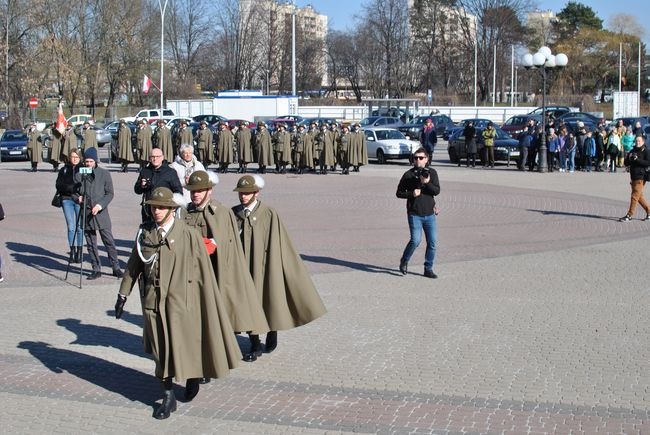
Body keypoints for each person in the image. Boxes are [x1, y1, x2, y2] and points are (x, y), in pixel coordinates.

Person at [114, 187, 241, 420]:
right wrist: (123, 295)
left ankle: (193, 376)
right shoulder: (145, 233)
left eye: (162, 207)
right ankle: (168, 395)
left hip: (182, 303)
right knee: (160, 352)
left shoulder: (188, 234)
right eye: (153, 206)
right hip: (154, 303)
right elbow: (134, 266)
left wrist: (203, 300)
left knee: (187, 346)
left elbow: (202, 270)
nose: (157, 211)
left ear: (172, 209)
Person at [232, 174, 327, 357]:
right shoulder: (234, 213)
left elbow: (278, 242)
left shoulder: (268, 213)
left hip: (263, 267)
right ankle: (254, 345)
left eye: (247, 193)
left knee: (266, 301)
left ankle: (271, 331)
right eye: (241, 193)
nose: (243, 196)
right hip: (242, 268)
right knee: (247, 305)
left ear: (256, 193)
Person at [183, 171, 269, 361]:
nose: (195, 194)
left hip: (222, 270)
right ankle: (206, 360)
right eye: (192, 191)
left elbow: (228, 241)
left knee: (238, 307)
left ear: (209, 191)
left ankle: (255, 344)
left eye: (199, 191)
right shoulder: (186, 212)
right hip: (197, 274)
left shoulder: (221, 212)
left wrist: (213, 244)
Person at [73, 147, 122, 280]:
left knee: (109, 241)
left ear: (95, 161)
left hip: (101, 213)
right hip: (86, 213)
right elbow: (74, 192)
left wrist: (100, 205)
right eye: (86, 161)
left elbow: (109, 193)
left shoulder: (104, 174)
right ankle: (96, 268)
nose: (88, 164)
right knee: (90, 243)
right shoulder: (80, 174)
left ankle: (115, 267)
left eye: (91, 161)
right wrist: (78, 198)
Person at [396, 147, 441, 279]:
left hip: (430, 214)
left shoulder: (432, 173)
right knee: (415, 240)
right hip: (414, 214)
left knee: (432, 242)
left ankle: (428, 268)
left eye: (421, 158)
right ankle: (404, 260)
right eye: (415, 158)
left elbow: (436, 191)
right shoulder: (408, 175)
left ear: (426, 159)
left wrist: (426, 183)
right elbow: (398, 193)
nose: (418, 160)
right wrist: (411, 193)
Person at [134, 148, 183, 223]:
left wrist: (172, 207)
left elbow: (178, 192)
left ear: (162, 157)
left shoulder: (170, 172)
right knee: (148, 232)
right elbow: (136, 190)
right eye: (152, 157)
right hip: (148, 210)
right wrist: (141, 186)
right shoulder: (145, 171)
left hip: (164, 209)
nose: (155, 159)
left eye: (157, 156)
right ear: (149, 158)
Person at [55, 148, 83, 263]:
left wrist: (78, 192)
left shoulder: (83, 169)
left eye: (77, 157)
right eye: (72, 157)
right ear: (69, 158)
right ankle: (72, 251)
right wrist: (71, 188)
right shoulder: (64, 169)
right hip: (67, 200)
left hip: (79, 200)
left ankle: (80, 252)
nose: (75, 159)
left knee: (80, 227)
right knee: (71, 227)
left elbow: (87, 184)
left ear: (80, 158)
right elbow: (58, 185)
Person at [620, 135, 650, 222]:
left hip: (641, 177)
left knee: (634, 196)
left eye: (639, 141)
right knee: (638, 196)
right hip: (633, 177)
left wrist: (637, 159)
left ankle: (629, 215)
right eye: (636, 141)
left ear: (643, 142)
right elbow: (626, 163)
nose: (637, 142)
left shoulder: (646, 151)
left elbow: (648, 163)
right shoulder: (632, 151)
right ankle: (649, 211)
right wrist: (629, 158)